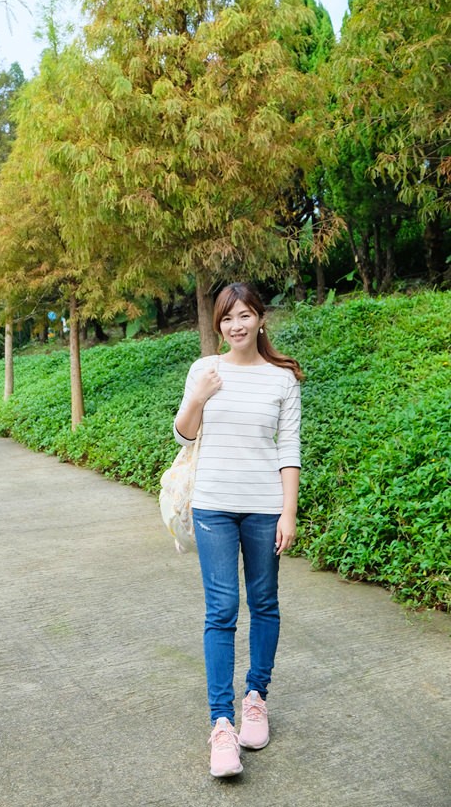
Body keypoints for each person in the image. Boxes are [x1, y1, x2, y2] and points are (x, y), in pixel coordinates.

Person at [173, 281, 302, 778]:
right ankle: (221, 725)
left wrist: (288, 513)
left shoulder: (283, 378)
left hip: (265, 508)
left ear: (260, 319)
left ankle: (256, 697)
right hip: (213, 506)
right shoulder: (204, 370)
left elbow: (288, 450)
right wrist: (199, 397)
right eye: (228, 318)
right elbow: (184, 435)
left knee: (264, 602)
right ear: (219, 324)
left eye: (245, 315)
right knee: (222, 609)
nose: (236, 325)